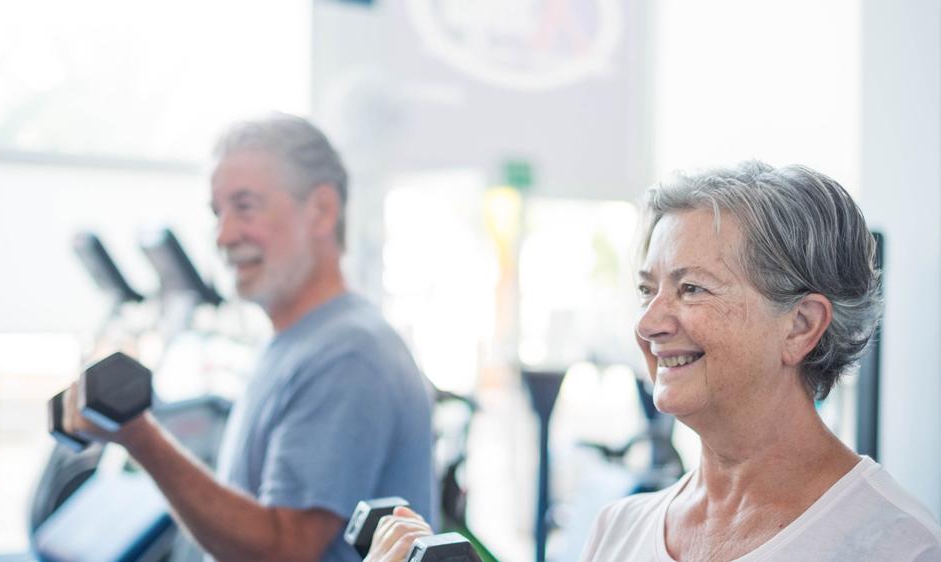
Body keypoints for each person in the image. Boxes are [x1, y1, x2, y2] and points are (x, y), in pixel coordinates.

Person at [363, 161, 941, 561]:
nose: (648, 323)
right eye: (648, 290)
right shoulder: (621, 529)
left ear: (801, 326)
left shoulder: (898, 546)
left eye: (692, 289)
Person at [62, 113, 437, 562]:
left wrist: (141, 438)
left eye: (245, 206)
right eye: (217, 213)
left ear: (320, 211)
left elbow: (284, 550)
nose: (224, 235)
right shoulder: (297, 342)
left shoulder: (348, 353)